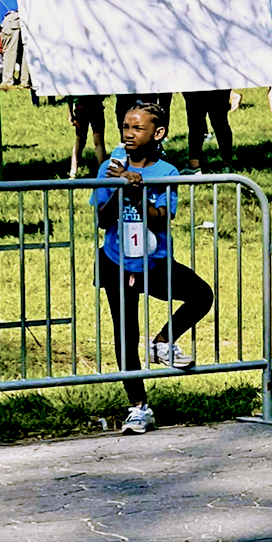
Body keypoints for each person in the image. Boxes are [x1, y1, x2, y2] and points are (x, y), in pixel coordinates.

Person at [94, 100, 214, 434]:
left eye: (137, 128)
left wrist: (138, 191)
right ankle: (138, 406)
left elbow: (163, 217)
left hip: (155, 260)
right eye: (125, 127)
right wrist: (121, 188)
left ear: (157, 133)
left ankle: (163, 340)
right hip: (117, 261)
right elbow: (103, 219)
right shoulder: (110, 167)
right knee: (125, 333)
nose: (129, 134)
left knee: (202, 295)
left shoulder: (167, 172)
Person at [183, 89, 234, 172]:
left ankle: (194, 166)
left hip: (196, 86)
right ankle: (227, 165)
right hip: (218, 85)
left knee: (196, 123)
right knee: (220, 123)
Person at [69, 95, 106, 178]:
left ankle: (73, 171)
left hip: (81, 107)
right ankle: (103, 172)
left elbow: (69, 94)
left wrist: (70, 112)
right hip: (96, 106)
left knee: (80, 141)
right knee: (99, 142)